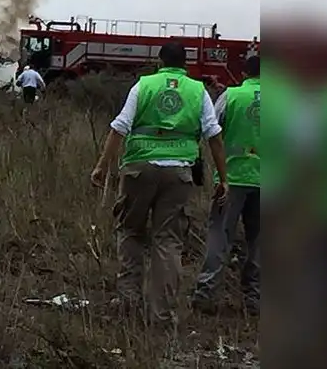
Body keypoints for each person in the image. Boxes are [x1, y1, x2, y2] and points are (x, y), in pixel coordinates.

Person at [89, 41, 229, 334]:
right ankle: (161, 318)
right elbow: (214, 136)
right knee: (168, 241)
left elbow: (119, 127)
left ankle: (128, 306)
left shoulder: (144, 86)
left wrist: (102, 166)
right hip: (179, 172)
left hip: (139, 169)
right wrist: (223, 177)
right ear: (185, 64)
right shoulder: (197, 90)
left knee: (130, 231)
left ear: (159, 62)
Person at [191, 55, 260, 315]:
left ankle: (206, 294)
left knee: (220, 235)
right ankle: (256, 299)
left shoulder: (230, 96)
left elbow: (212, 131)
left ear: (244, 73)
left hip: (232, 179)